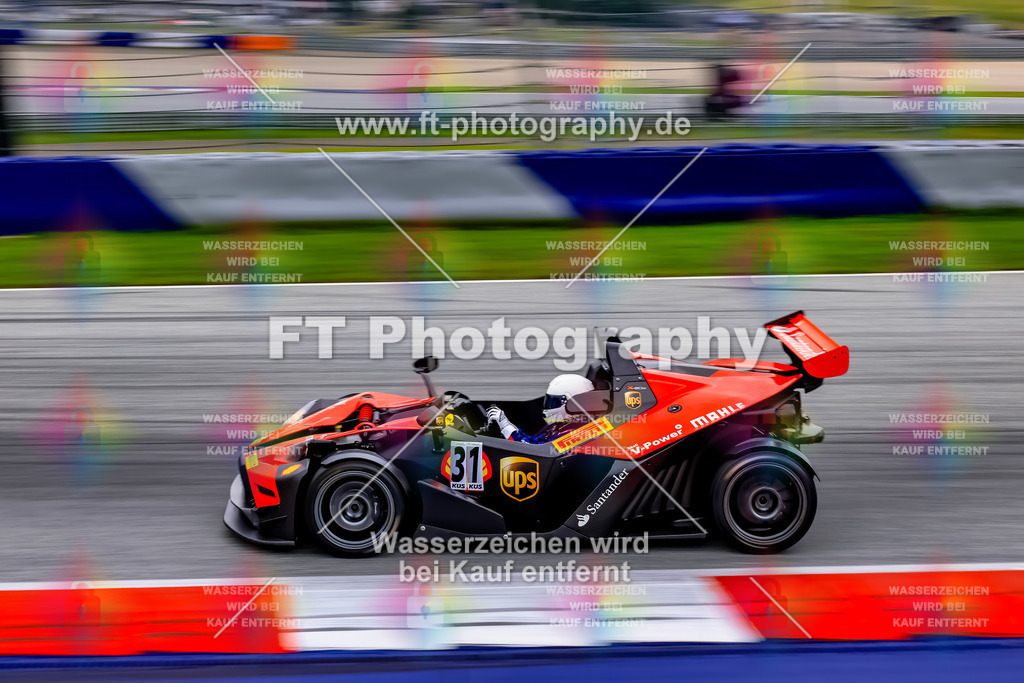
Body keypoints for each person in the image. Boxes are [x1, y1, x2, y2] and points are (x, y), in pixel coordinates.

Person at [486, 375, 594, 444]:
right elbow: (534, 441)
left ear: (574, 404)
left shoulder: (576, 434)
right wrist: (507, 425)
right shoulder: (562, 427)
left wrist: (506, 426)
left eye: (554, 402)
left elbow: (533, 451)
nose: (550, 406)